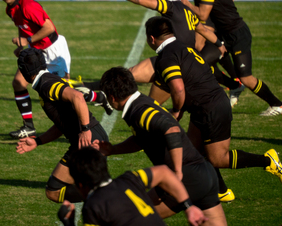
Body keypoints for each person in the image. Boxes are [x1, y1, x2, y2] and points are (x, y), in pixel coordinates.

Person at [144, 17, 282, 194]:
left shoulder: (166, 57)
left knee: (218, 159)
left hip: (210, 108)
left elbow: (178, 89)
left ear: (151, 39)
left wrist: (177, 110)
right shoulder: (184, 47)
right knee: (194, 152)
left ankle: (268, 161)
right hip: (206, 105)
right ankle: (221, 191)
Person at [97, 66, 228, 226]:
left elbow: (171, 129)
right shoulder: (141, 103)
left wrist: (177, 171)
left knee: (130, 216)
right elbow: (142, 139)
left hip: (186, 177)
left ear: (112, 97)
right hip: (204, 173)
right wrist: (114, 149)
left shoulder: (139, 111)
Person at [176, 0, 282, 116]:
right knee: (201, 63)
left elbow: (203, 15)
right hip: (223, 35)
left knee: (246, 78)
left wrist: (185, 3)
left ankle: (278, 104)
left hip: (237, 34)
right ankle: (234, 86)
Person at [106, 0, 226, 105]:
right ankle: (104, 95)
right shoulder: (187, 9)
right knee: (130, 74)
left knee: (151, 106)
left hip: (175, 60)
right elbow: (204, 30)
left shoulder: (170, 7)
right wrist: (220, 45)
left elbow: (140, 0)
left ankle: (105, 97)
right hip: (185, 59)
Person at [15, 48, 110, 204]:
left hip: (88, 141)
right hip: (87, 139)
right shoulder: (45, 82)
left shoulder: (46, 85)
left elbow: (77, 96)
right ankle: (106, 197)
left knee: (55, 191)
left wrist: (85, 129)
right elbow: (62, 125)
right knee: (58, 190)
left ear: (25, 72)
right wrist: (38, 141)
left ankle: (109, 196)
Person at [0, 0, 72, 139]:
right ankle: (28, 127)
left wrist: (27, 41)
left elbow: (49, 28)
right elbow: (22, 27)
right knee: (18, 83)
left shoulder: (28, 6)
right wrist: (24, 47)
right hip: (36, 52)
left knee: (63, 96)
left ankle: (95, 99)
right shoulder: (10, 9)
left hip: (53, 50)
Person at [173, 0, 244, 108]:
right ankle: (235, 80)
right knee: (204, 49)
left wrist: (217, 3)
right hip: (199, 11)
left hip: (208, 12)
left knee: (199, 49)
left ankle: (234, 80)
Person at [58, 147, 207, 226]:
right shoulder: (129, 180)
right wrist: (188, 206)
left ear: (81, 184)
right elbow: (163, 172)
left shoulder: (93, 206)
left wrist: (69, 222)